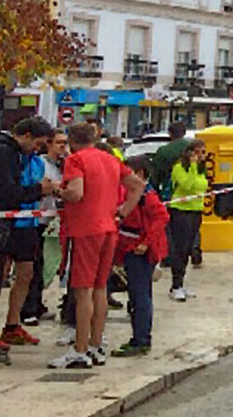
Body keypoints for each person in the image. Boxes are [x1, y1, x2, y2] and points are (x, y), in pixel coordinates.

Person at [49, 123, 142, 369]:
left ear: (71, 141)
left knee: (82, 290)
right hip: (109, 227)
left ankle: (79, 350)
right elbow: (137, 185)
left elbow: (76, 193)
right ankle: (95, 344)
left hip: (85, 229)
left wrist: (56, 190)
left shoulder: (76, 160)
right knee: (100, 287)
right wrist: (122, 213)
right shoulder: (110, 159)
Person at [1, 117, 56, 348]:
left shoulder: (32, 159)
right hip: (8, 222)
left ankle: (12, 325)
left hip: (27, 223)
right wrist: (38, 190)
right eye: (37, 143)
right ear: (25, 135)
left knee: (26, 273)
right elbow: (8, 193)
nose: (38, 149)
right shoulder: (6, 153)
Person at [112, 156, 169, 357]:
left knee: (140, 296)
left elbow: (161, 217)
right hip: (131, 247)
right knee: (138, 295)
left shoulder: (146, 195)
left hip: (140, 250)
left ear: (140, 174)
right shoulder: (136, 194)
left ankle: (141, 339)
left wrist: (146, 243)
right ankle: (140, 337)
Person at [21, 129, 67, 326]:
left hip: (50, 221)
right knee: (33, 266)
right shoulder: (41, 164)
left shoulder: (62, 165)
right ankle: (29, 308)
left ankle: (37, 303)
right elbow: (43, 185)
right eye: (59, 143)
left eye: (65, 143)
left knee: (46, 266)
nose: (63, 147)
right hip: (34, 220)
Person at [164, 138, 207, 302]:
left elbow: (202, 185)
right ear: (189, 153)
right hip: (181, 211)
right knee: (179, 248)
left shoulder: (201, 169)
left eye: (203, 152)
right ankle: (175, 285)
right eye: (197, 152)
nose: (201, 155)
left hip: (196, 210)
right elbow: (188, 185)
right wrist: (193, 166)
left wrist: (196, 170)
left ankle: (181, 283)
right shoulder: (179, 168)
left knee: (189, 247)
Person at [147, 120, 189, 202]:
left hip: (171, 194)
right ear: (184, 133)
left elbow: (155, 175)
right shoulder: (195, 148)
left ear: (169, 133)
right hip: (195, 195)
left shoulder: (163, 151)